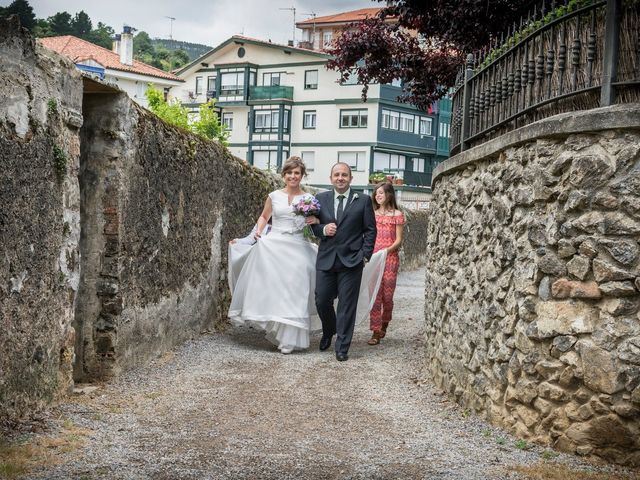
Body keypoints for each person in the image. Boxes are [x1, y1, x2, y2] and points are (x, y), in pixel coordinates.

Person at [228, 156, 320, 354]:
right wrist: (257, 233)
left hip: (298, 244)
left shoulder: (309, 199)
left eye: (297, 173)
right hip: (275, 244)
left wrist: (313, 220)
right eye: (289, 173)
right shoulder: (274, 196)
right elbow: (264, 216)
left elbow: (315, 224)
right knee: (276, 288)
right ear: (283, 175)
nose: (293, 176)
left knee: (297, 287)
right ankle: (279, 332)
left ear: (302, 175)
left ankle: (292, 337)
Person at [312, 162, 377, 361]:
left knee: (347, 305)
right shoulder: (319, 199)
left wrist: (364, 255)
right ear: (331, 178)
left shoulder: (363, 200)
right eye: (337, 175)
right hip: (326, 259)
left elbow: (370, 230)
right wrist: (323, 230)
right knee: (322, 300)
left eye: (344, 175)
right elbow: (312, 227)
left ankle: (342, 346)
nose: (340, 178)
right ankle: (329, 329)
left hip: (352, 261)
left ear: (350, 178)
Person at [367, 181, 405, 345]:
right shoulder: (371, 214)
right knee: (374, 295)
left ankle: (385, 322)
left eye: (381, 193)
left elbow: (398, 240)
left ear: (389, 195)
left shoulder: (397, 215)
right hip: (374, 258)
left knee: (387, 296)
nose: (378, 196)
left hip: (389, 257)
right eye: (376, 193)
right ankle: (375, 330)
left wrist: (386, 251)